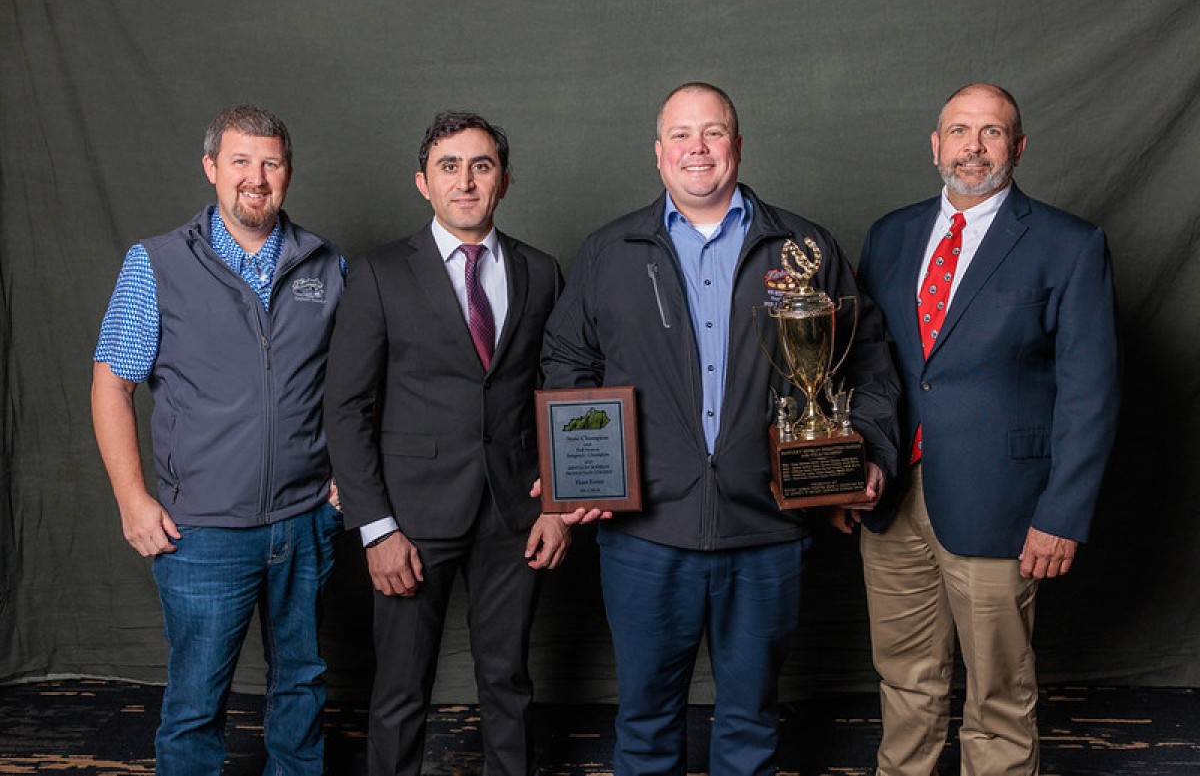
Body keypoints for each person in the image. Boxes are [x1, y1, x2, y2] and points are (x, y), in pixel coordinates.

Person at [539, 82, 901, 775]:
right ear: (658, 153)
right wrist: (578, 464)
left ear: (737, 144)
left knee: (750, 726)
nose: (696, 148)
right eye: (680, 134)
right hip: (645, 537)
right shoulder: (610, 251)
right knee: (644, 726)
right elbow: (565, 361)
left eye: (712, 132)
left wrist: (870, 453)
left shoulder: (804, 248)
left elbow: (872, 361)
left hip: (766, 533)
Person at [851, 83, 1121, 775]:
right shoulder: (891, 234)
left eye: (992, 132)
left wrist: (1062, 514)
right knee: (905, 679)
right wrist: (847, 472)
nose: (974, 147)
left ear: (1019, 147)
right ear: (935, 145)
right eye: (960, 130)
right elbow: (861, 363)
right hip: (892, 498)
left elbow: (1092, 392)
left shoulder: (1069, 244)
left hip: (1003, 502)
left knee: (999, 694)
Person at [91, 104, 344, 774]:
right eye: (240, 161)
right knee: (197, 702)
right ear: (211, 168)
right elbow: (112, 384)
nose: (255, 178)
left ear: (287, 171)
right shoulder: (156, 263)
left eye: (270, 162)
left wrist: (348, 476)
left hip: (306, 523)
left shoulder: (326, 262)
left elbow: (354, 381)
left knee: (302, 690)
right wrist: (131, 498)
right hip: (202, 530)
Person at [323, 111, 568, 776]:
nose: (466, 181)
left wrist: (559, 505)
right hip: (409, 518)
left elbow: (561, 394)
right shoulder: (378, 275)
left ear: (505, 181)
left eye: (481, 166)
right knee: (400, 691)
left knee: (509, 684)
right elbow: (343, 408)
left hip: (515, 514)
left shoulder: (542, 273)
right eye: (449, 167)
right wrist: (375, 529)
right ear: (423, 183)